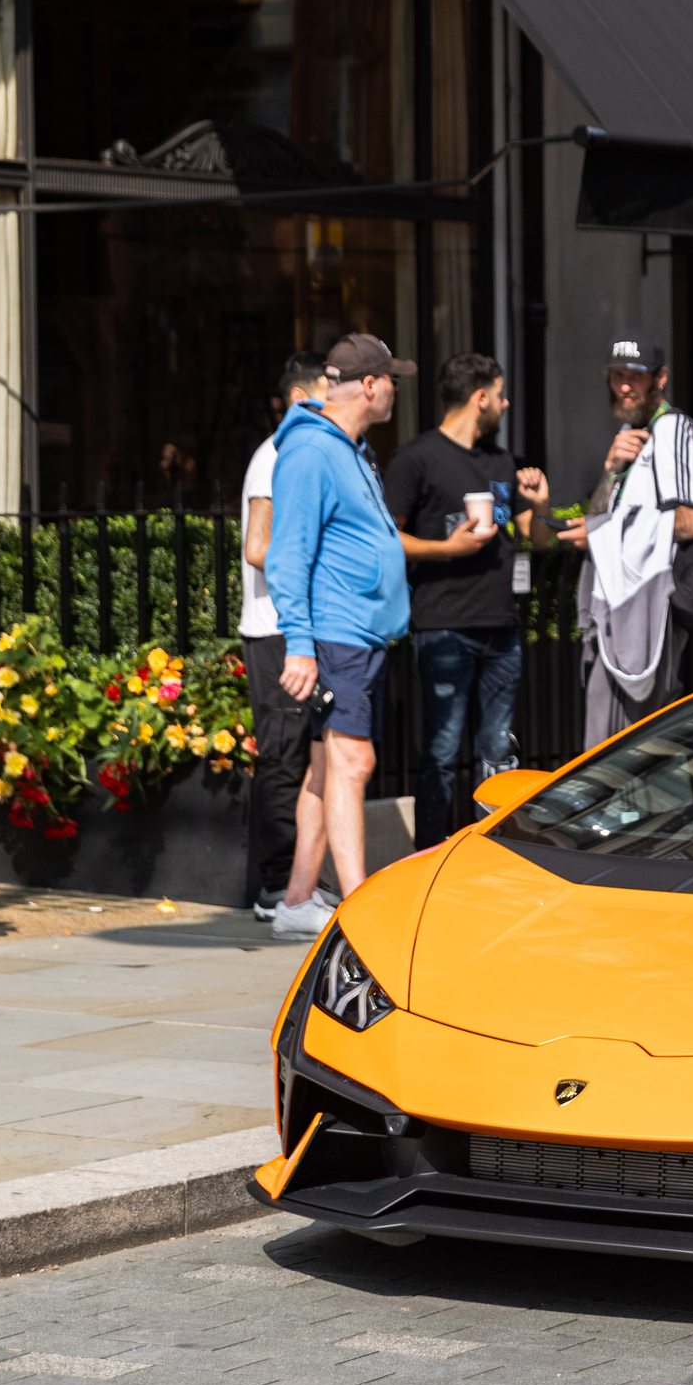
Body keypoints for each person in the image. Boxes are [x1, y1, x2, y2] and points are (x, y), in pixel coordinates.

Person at [265, 333, 413, 940]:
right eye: (392, 380)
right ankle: (358, 910)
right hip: (338, 634)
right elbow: (286, 555)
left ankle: (299, 900)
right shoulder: (310, 453)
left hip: (359, 634)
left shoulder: (350, 448)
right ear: (371, 386)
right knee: (356, 762)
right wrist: (300, 642)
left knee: (327, 768)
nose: (397, 390)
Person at [383, 352, 554, 851]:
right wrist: (446, 548)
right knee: (439, 750)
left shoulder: (499, 461)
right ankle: (431, 853)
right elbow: (388, 539)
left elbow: (529, 537)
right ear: (480, 398)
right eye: (500, 395)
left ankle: (496, 851)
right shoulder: (414, 460)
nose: (505, 403)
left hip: (501, 627)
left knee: (498, 751)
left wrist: (539, 504)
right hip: (443, 626)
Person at [563, 331, 693, 749]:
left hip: (651, 612)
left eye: (636, 376)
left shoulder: (673, 429)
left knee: (644, 746)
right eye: (617, 376)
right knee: (612, 748)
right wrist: (610, 469)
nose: (625, 386)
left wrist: (606, 533)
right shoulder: (630, 437)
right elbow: (598, 519)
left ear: (660, 379)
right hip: (616, 613)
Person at [239, 351, 333, 921]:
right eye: (328, 390)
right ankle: (275, 886)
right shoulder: (273, 456)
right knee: (282, 756)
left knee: (306, 757)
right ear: (301, 397)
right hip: (276, 630)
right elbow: (257, 548)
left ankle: (297, 884)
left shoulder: (308, 453)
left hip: (299, 628)